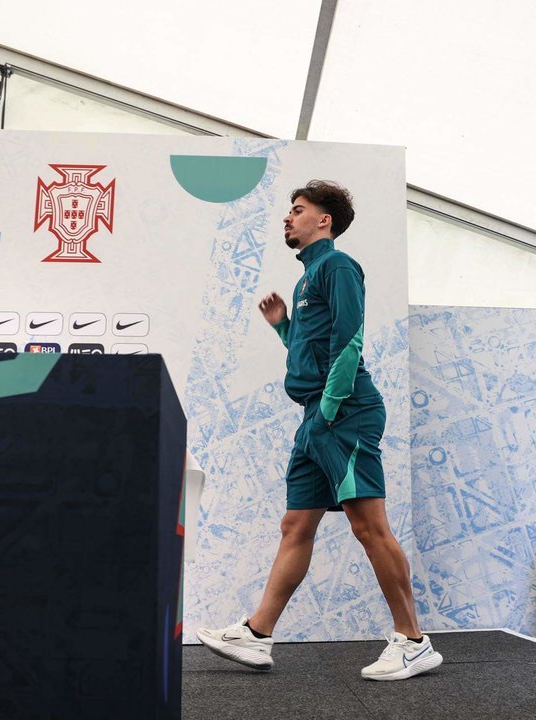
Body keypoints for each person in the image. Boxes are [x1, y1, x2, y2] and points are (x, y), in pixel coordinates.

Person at [197, 180, 442, 681]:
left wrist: (330, 408)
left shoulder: (338, 266)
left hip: (344, 412)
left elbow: (350, 341)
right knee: (295, 526)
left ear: (323, 220)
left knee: (369, 527)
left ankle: (413, 641)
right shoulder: (308, 279)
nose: (287, 218)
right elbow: (312, 351)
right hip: (315, 415)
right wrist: (284, 327)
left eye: (298, 210)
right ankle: (258, 634)